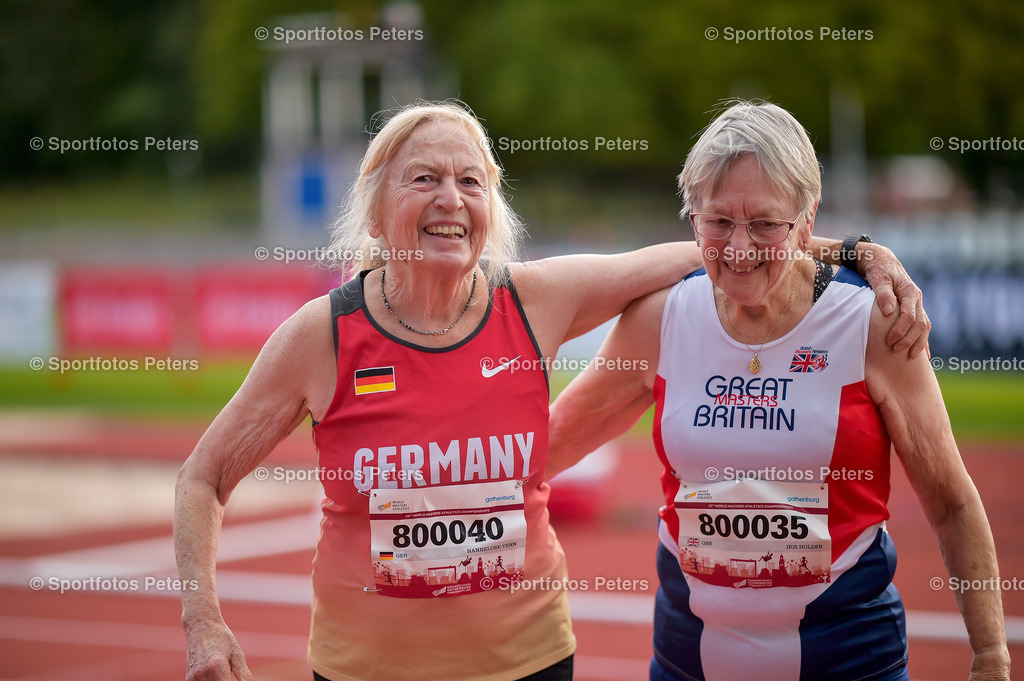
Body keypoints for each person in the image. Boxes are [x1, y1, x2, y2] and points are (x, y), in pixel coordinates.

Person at [173, 101, 929, 681]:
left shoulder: (535, 299)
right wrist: (204, 620)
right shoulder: (321, 336)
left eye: (470, 181)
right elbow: (203, 477)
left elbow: (710, 246)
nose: (450, 198)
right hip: (364, 666)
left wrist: (854, 249)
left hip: (529, 662)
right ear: (376, 209)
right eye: (425, 178)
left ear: (491, 208)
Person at [547, 101, 1010, 681]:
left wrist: (991, 656)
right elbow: (549, 446)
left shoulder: (872, 324)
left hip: (848, 662)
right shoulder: (661, 318)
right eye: (718, 222)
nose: (739, 248)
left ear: (807, 218)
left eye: (766, 224)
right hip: (687, 662)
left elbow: (953, 503)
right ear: (693, 219)